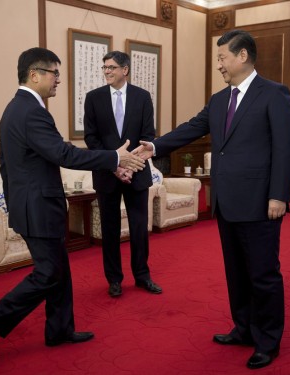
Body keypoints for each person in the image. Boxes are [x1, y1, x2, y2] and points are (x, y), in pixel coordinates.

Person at [0, 47, 145, 359]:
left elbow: (7, 166)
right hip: (38, 206)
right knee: (48, 273)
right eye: (54, 73)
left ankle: (59, 329)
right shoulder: (30, 111)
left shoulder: (17, 108)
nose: (58, 80)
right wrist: (115, 156)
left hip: (32, 204)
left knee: (59, 270)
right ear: (35, 75)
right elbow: (63, 154)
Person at [133, 30, 290, 369]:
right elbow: (192, 127)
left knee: (263, 274)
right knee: (236, 271)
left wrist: (278, 195)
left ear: (242, 57)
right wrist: (153, 146)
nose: (218, 64)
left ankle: (268, 340)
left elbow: (285, 148)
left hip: (260, 201)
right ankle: (243, 329)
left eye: (222, 57)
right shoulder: (220, 99)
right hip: (226, 201)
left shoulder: (274, 94)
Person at [84, 51, 162, 297]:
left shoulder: (142, 97)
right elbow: (91, 138)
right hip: (107, 174)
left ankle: (142, 276)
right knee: (110, 229)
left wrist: (130, 165)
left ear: (125, 70)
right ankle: (114, 279)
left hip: (137, 172)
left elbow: (148, 135)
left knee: (139, 228)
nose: (107, 71)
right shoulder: (93, 98)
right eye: (104, 67)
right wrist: (115, 165)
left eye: (112, 67)